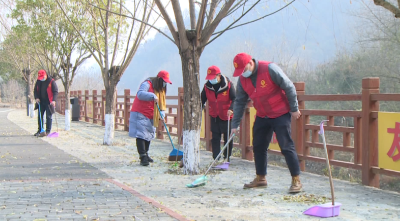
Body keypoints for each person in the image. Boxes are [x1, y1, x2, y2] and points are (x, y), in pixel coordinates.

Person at [230, 53, 302, 193]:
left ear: (250, 63)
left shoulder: (270, 69)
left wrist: (294, 108)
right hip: (262, 114)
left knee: (286, 146)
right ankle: (261, 177)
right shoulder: (242, 80)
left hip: (280, 112)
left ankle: (296, 179)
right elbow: (239, 101)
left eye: (244, 70)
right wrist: (235, 124)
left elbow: (289, 87)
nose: (243, 74)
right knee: (258, 145)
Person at [129, 70, 172, 166]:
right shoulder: (147, 84)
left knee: (149, 134)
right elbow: (140, 94)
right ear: (159, 79)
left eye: (166, 82)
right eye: (164, 81)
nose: (165, 84)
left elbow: (161, 105)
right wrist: (152, 96)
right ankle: (142, 156)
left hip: (151, 114)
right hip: (140, 112)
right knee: (141, 135)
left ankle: (146, 154)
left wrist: (162, 114)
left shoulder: (161, 89)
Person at [201, 65, 235, 162]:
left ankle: (226, 157)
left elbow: (235, 99)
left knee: (227, 138)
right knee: (215, 138)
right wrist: (199, 108)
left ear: (219, 76)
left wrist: (231, 108)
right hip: (214, 116)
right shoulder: (207, 86)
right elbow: (202, 99)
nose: (211, 80)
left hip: (227, 115)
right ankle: (216, 157)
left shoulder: (228, 85)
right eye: (209, 78)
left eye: (213, 78)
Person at [33, 69, 58, 137]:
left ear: (45, 75)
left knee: (48, 116)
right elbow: (35, 90)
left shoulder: (51, 81)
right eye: (40, 78)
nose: (41, 79)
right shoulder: (38, 81)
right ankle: (40, 130)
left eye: (42, 77)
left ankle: (47, 131)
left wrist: (54, 100)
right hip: (41, 101)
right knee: (40, 117)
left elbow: (55, 91)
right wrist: (37, 98)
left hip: (49, 102)